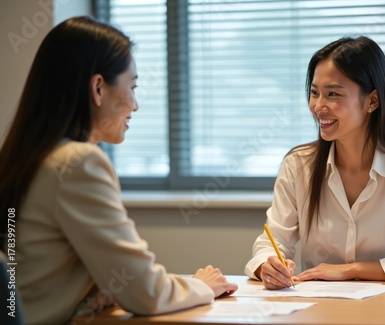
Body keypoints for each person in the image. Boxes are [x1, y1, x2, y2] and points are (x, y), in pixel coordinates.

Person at [0, 16, 237, 325]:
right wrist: (202, 286)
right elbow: (144, 291)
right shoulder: (78, 163)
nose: (135, 105)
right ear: (98, 88)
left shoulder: (29, 155)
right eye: (132, 87)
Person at [244, 36, 385, 289]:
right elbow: (273, 242)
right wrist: (267, 265)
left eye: (333, 94)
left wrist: (350, 270)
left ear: (372, 101)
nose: (318, 106)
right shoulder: (298, 165)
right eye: (314, 93)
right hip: (319, 309)